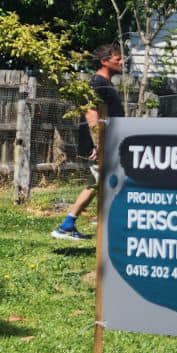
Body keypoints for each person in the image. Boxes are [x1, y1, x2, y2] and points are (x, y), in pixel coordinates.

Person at [50, 43, 125, 241]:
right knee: (98, 181)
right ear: (104, 61)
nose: (122, 62)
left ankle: (76, 223)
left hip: (109, 140)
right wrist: (99, 144)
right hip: (102, 143)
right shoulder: (99, 82)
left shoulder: (105, 83)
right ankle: (68, 224)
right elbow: (92, 113)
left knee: (99, 182)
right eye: (118, 59)